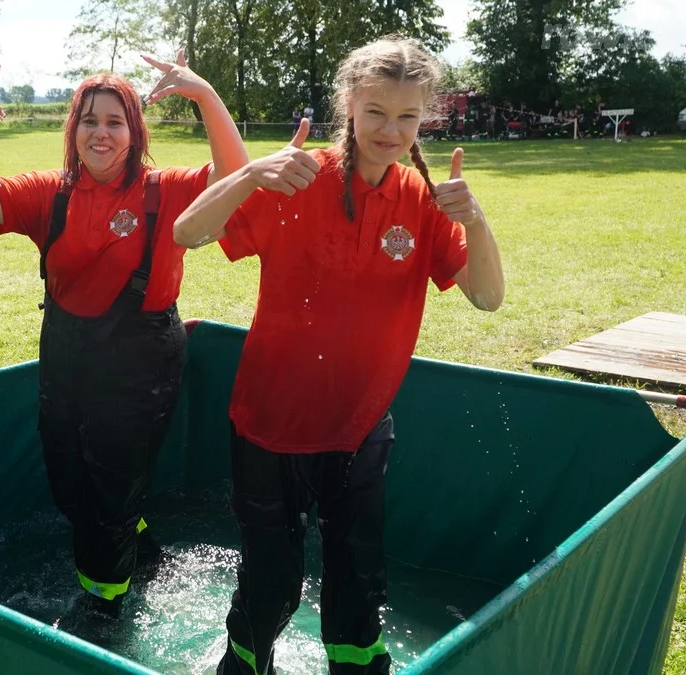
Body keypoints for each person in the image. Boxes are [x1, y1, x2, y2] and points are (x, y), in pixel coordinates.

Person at [173, 36, 504, 675]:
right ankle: (245, 662)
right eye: (377, 111)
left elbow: (487, 297)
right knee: (272, 581)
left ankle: (355, 665)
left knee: (358, 578)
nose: (392, 130)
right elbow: (188, 232)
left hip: (360, 427)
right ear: (349, 105)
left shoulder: (422, 200)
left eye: (408, 117)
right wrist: (248, 173)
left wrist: (478, 221)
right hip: (271, 428)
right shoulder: (300, 177)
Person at [0, 53, 248, 613]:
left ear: (135, 132)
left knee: (107, 496)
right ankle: (138, 545)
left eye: (115, 122)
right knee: (71, 487)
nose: (101, 133)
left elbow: (233, 179)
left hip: (142, 365)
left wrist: (205, 95)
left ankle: (105, 612)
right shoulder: (52, 193)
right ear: (74, 130)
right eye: (90, 121)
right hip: (65, 358)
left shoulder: (167, 189)